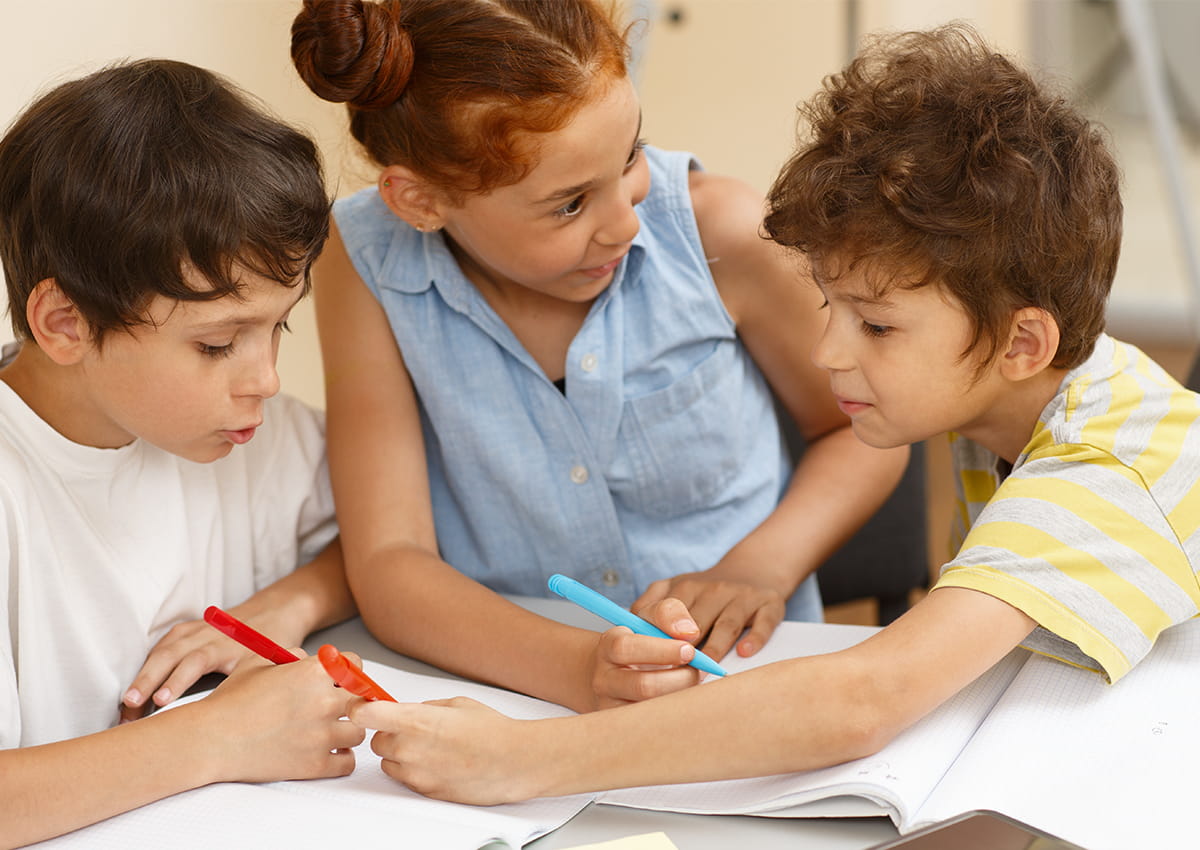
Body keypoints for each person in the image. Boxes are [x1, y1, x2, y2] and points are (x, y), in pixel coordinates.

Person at [339, 22, 1200, 803]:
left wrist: (527, 758)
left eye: (875, 325)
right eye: (829, 307)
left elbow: (865, 699)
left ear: (1022, 345)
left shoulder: (1102, 466)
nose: (828, 354)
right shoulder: (1007, 414)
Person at [289, 0, 906, 713]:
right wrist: (581, 670)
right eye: (570, 205)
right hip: (514, 694)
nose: (625, 221)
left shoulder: (725, 233)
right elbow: (391, 564)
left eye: (631, 157)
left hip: (740, 683)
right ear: (420, 201)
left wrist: (759, 569)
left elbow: (860, 433)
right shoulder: (363, 262)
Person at [0, 59, 363, 845]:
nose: (264, 379)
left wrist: (279, 608)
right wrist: (224, 736)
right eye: (217, 344)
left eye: (279, 327)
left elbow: (372, 529)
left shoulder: (237, 433)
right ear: (64, 323)